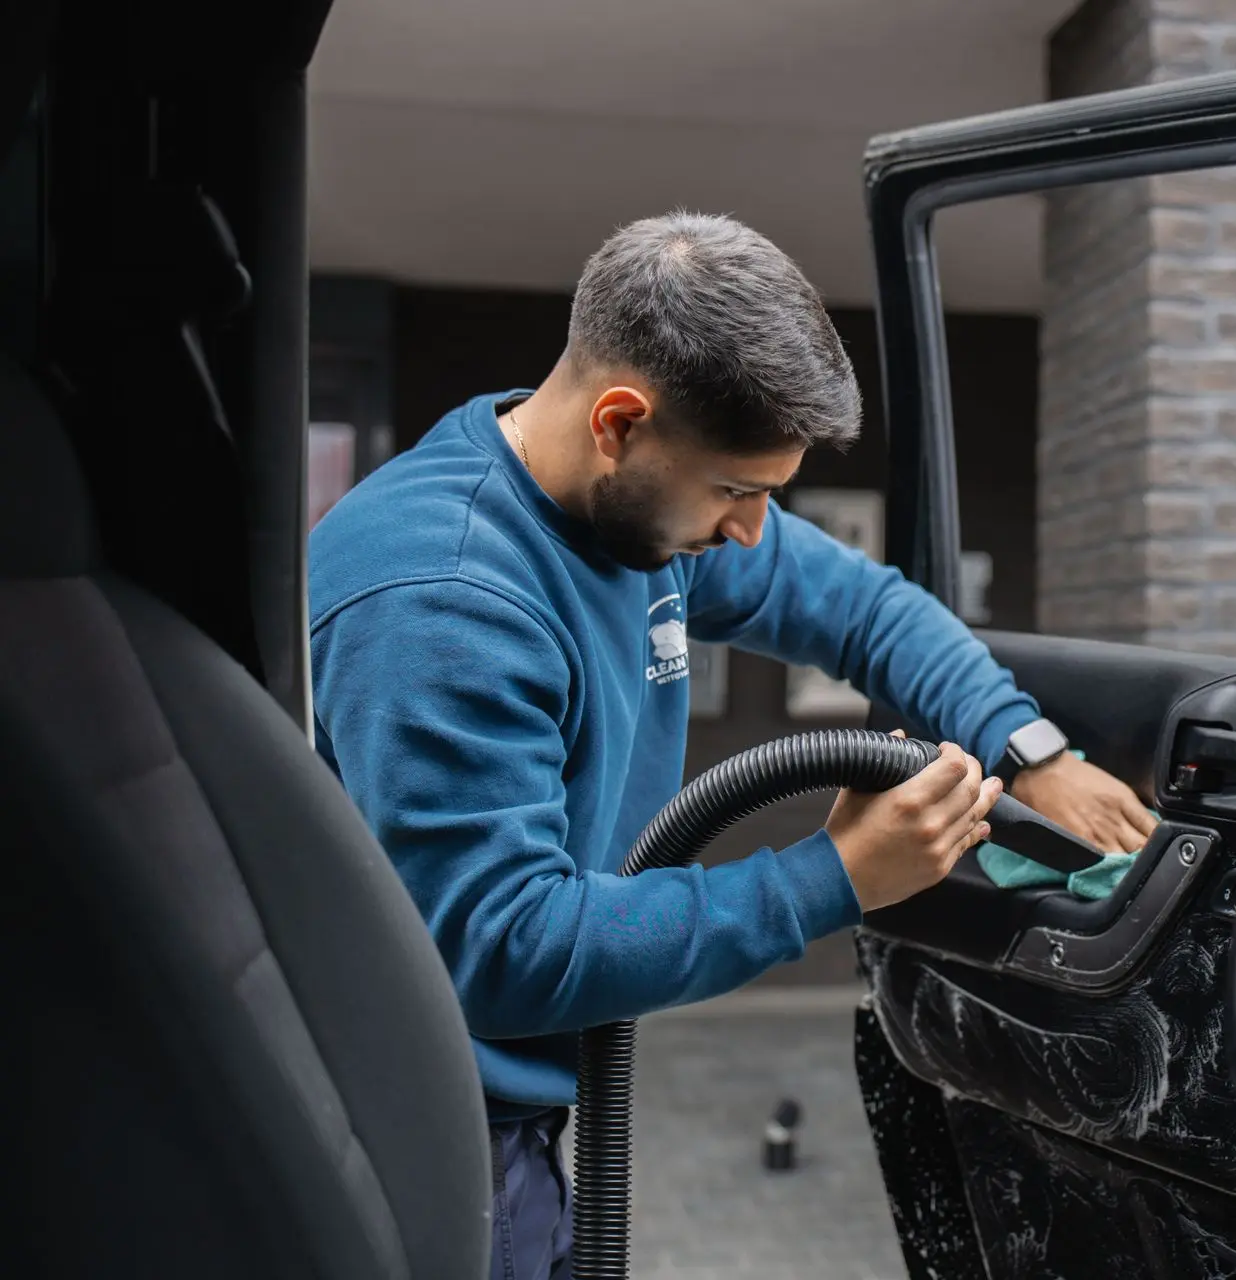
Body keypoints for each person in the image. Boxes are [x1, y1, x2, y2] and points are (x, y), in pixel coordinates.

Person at [307, 211, 1158, 1279]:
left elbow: (865, 608)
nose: (752, 532)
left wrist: (1028, 748)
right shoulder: (444, 599)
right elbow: (508, 951)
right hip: (431, 1137)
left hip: (511, 1108)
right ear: (620, 421)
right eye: (738, 491)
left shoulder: (623, 502)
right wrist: (837, 876)